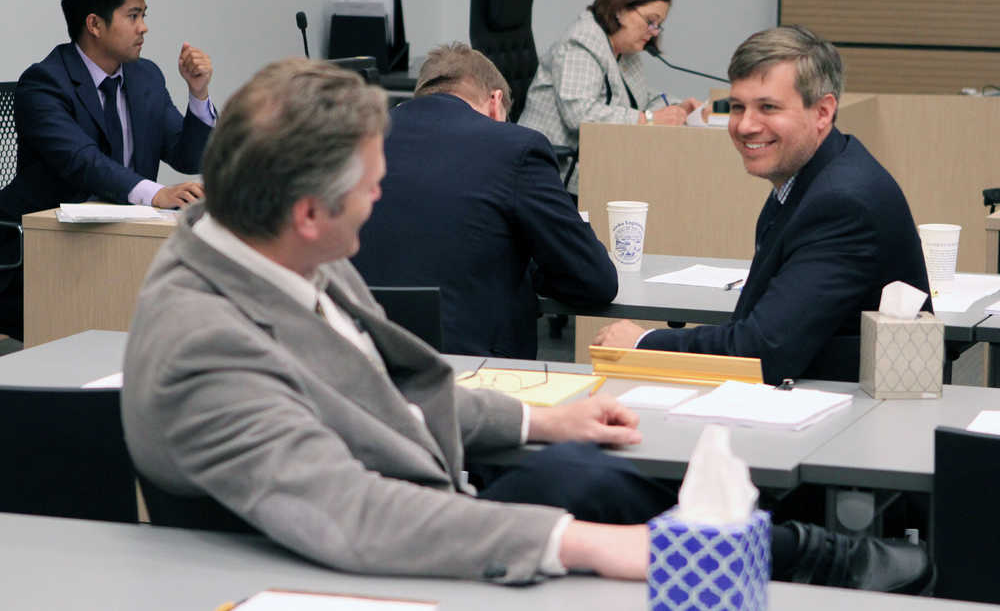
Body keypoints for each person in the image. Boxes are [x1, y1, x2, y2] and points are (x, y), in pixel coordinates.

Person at [123, 57, 930, 592]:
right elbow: (350, 514)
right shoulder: (206, 340)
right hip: (346, 558)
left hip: (414, 489)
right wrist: (580, 544)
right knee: (586, 507)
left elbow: (388, 388)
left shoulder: (272, 243)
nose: (381, 199)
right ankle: (814, 563)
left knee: (585, 471)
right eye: (372, 184)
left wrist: (539, 418)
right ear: (307, 212)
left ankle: (805, 558)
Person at [595, 26, 932, 385]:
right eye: (737, 107)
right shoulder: (814, 176)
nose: (745, 125)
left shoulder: (840, 203)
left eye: (768, 107)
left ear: (822, 112)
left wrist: (644, 343)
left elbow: (762, 350)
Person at [351, 42, 618, 359]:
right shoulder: (517, 147)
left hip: (359, 351)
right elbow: (594, 279)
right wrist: (530, 266)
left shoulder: (355, 139)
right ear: (496, 101)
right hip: (473, 367)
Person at [0, 0, 215, 340]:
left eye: (144, 15)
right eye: (133, 16)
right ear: (95, 24)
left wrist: (198, 96)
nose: (144, 27)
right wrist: (156, 193)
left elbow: (186, 156)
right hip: (43, 254)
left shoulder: (144, 76)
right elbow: (82, 162)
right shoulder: (45, 83)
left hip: (121, 243)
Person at [519, 0, 699, 187]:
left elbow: (637, 100)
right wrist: (650, 120)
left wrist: (679, 107)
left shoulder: (624, 48)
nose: (653, 32)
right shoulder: (582, 43)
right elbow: (579, 114)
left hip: (597, 163)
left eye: (658, 26)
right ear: (620, 10)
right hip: (554, 172)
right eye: (650, 21)